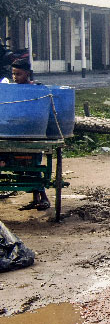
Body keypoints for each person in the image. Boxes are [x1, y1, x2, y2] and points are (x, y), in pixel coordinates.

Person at [10, 59, 49, 211]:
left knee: (34, 166)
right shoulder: (12, 90)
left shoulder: (36, 88)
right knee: (21, 167)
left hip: (33, 133)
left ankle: (44, 198)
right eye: (13, 74)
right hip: (14, 133)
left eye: (18, 74)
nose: (15, 77)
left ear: (27, 73)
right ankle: (35, 199)